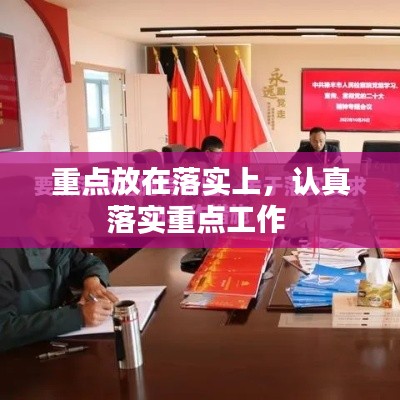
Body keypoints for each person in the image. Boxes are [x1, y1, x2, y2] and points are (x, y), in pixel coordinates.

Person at [0, 190, 118, 352]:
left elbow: (91, 263)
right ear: (42, 211)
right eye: (70, 215)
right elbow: (3, 330)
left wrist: (93, 281)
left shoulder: (59, 243)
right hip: (18, 357)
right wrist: (77, 317)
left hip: (53, 343)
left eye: (82, 216)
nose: (77, 225)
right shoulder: (5, 259)